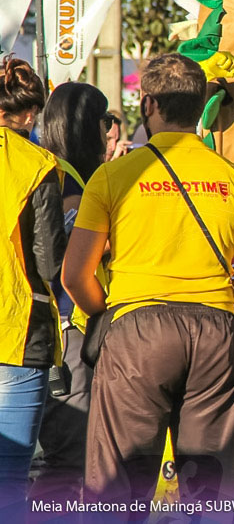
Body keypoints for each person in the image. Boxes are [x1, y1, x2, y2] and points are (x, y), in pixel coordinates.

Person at [61, 53, 234, 505]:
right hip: (214, 332)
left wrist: (105, 316)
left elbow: (74, 275)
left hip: (137, 330)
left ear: (148, 104)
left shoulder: (113, 175)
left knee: (119, 485)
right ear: (201, 103)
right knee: (213, 485)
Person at [30, 82, 110, 501]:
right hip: (65, 332)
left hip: (37, 329)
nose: (112, 132)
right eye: (106, 121)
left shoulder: (40, 170)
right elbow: (71, 271)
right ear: (85, 127)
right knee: (67, 455)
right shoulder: (69, 186)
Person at [0, 57, 66, 516]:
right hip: (18, 330)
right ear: (28, 114)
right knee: (9, 474)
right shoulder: (39, 165)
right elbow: (48, 260)